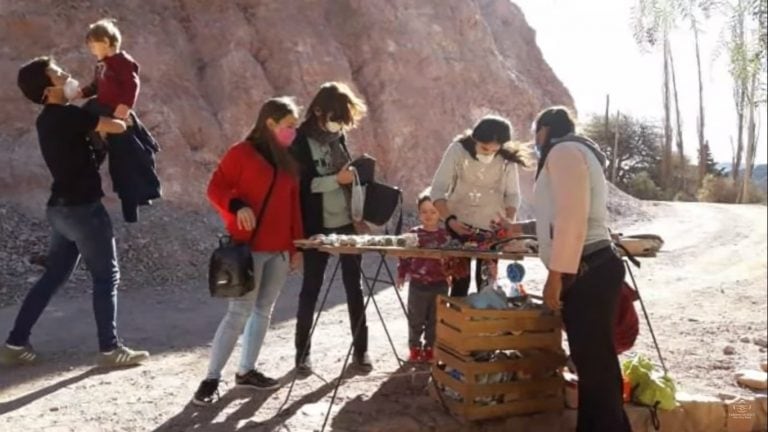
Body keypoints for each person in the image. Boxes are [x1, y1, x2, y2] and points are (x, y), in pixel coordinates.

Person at [0, 57, 149, 367]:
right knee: (106, 277)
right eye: (57, 73)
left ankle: (15, 343)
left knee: (53, 276)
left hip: (60, 211)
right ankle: (110, 349)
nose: (65, 74)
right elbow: (116, 126)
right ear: (47, 90)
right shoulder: (67, 116)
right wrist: (124, 113)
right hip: (83, 210)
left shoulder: (47, 119)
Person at [506, 107, 631, 431]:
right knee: (595, 367)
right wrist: (515, 230)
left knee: (595, 368)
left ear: (545, 130)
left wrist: (554, 277)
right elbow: (557, 218)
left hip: (587, 270)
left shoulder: (562, 152)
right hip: (591, 268)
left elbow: (572, 219)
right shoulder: (577, 152)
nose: (535, 142)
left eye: (536, 134)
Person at [192, 97, 304, 405]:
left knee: (263, 310)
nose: (293, 132)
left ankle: (246, 371)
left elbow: (294, 206)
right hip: (249, 248)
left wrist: (296, 247)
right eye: (289, 126)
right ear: (270, 123)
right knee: (239, 312)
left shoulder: (286, 159)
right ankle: (211, 378)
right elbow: (215, 188)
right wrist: (236, 204)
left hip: (279, 250)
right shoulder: (241, 153)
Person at [291, 82, 373, 374]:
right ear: (318, 111)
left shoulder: (338, 137)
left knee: (355, 287)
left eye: (344, 120)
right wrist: (336, 180)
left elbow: (346, 177)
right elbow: (302, 186)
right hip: (316, 225)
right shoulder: (299, 141)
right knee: (310, 289)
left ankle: (361, 352)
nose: (340, 124)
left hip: (346, 223)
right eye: (336, 117)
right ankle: (302, 355)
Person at [430, 115, 526, 297]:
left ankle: (481, 324)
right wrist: (450, 220)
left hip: (492, 228)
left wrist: (509, 220)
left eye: (494, 150)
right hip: (459, 224)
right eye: (484, 148)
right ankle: (457, 323)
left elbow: (513, 194)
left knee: (487, 283)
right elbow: (438, 190)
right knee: (459, 281)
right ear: (475, 139)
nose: (488, 153)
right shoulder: (457, 150)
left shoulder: (506, 159)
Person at [77, 18, 161, 224]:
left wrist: (125, 106)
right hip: (100, 107)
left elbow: (132, 85)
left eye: (93, 44)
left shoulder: (123, 62)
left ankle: (131, 209)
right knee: (86, 131)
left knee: (127, 160)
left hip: (116, 112)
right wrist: (80, 92)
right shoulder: (101, 65)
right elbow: (95, 86)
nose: (91, 49)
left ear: (106, 41)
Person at [396, 191, 458, 363]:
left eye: (433, 211)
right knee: (415, 319)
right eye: (424, 211)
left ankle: (430, 349)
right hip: (418, 285)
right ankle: (415, 349)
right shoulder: (414, 234)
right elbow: (404, 256)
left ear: (440, 213)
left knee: (434, 320)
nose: (429, 215)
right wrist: (401, 274)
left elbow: (452, 258)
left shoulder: (446, 235)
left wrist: (451, 274)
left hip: (440, 285)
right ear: (419, 213)